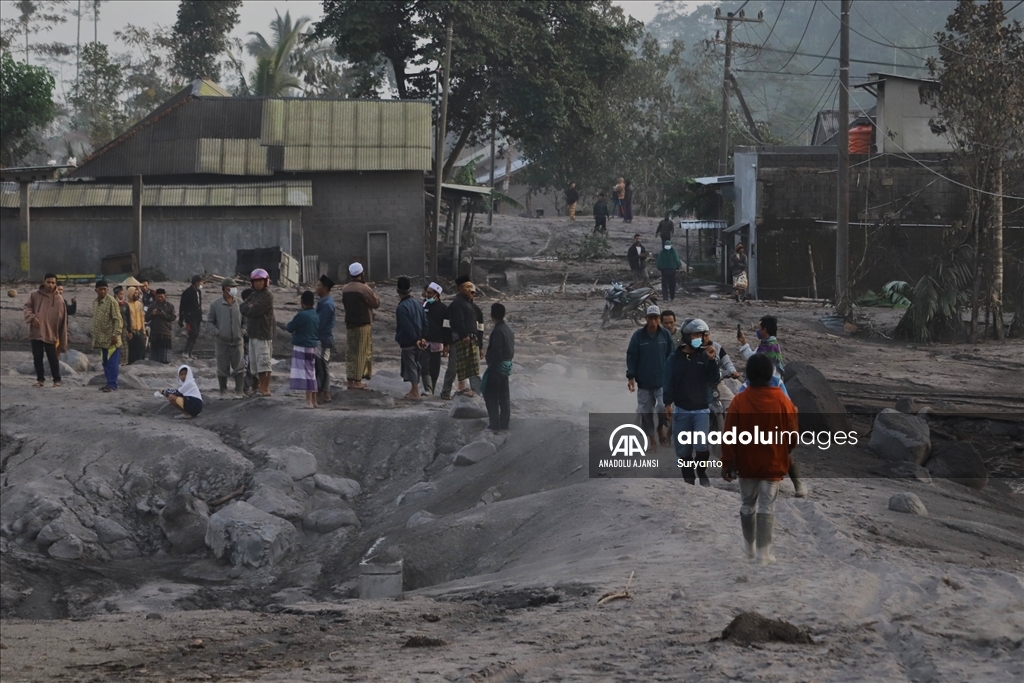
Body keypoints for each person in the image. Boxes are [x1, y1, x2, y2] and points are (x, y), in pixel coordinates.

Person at [722, 354, 799, 564]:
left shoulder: (739, 400)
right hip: (773, 463)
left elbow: (728, 435)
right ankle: (763, 553)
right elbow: (793, 435)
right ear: (769, 375)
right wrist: (785, 451)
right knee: (767, 507)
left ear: (749, 375)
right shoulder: (782, 401)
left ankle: (749, 549)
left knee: (747, 505)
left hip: (746, 464)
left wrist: (727, 462)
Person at [736, 316, 805, 497]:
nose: (757, 330)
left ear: (765, 329)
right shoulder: (765, 346)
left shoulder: (771, 352)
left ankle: (796, 482)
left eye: (759, 327)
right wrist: (744, 343)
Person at [663, 318, 720, 485]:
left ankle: (701, 471)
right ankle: (689, 481)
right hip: (681, 409)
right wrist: (667, 403)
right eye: (695, 335)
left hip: (701, 409)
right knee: (683, 451)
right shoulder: (674, 358)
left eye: (701, 335)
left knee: (701, 446)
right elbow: (668, 382)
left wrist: (712, 361)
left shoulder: (706, 356)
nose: (699, 338)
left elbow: (714, 379)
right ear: (686, 336)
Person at [626, 305, 674, 447]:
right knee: (646, 412)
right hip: (644, 382)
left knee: (661, 407)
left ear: (659, 319)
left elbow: (671, 357)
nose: (653, 321)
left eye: (656, 318)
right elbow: (631, 356)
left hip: (662, 381)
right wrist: (631, 377)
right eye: (650, 318)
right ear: (646, 318)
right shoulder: (638, 336)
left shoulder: (665, 335)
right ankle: (652, 439)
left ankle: (660, 427)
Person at [23, 273, 68, 387]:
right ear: (44, 282)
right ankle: (40, 380)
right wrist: (31, 318)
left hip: (51, 333)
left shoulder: (59, 299)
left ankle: (56, 380)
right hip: (36, 332)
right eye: (48, 282)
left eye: (53, 283)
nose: (50, 285)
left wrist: (62, 338)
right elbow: (27, 307)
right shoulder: (34, 295)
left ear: (55, 284)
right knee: (37, 357)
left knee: (53, 358)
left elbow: (63, 320)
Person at [340, 262, 380, 390]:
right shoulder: (364, 288)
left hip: (350, 323)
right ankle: (357, 381)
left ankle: (350, 379)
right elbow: (375, 303)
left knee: (351, 352)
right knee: (361, 352)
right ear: (362, 273)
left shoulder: (345, 288)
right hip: (362, 324)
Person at [240, 268, 275, 396]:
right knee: (255, 364)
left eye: (260, 281)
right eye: (255, 281)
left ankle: (265, 388)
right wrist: (249, 307)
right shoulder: (254, 295)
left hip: (263, 334)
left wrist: (250, 307)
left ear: (265, 281)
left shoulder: (267, 295)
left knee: (264, 362)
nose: (258, 283)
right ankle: (257, 387)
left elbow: (254, 311)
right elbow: (242, 307)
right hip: (253, 334)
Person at [207, 277, 245, 396]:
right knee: (222, 367)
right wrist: (217, 332)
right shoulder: (215, 304)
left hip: (238, 341)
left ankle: (239, 391)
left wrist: (243, 331)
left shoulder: (240, 304)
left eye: (234, 287)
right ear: (224, 288)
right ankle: (223, 391)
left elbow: (246, 321)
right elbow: (209, 322)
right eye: (231, 287)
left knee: (239, 367)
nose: (233, 289)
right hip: (222, 342)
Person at [447, 276, 483, 397]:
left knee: (473, 366)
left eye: (471, 287)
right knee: (462, 364)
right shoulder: (458, 303)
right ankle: (461, 387)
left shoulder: (471, 305)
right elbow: (458, 321)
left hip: (472, 338)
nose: (470, 290)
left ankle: (476, 391)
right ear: (460, 289)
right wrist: (463, 335)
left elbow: (479, 325)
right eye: (467, 287)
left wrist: (479, 343)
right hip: (463, 338)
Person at [482, 302, 514, 433]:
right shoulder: (508, 330)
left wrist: (491, 366)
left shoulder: (497, 331)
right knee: (504, 397)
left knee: (492, 397)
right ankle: (504, 424)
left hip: (497, 368)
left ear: (492, 315)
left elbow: (496, 351)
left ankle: (494, 425)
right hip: (506, 366)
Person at [395, 276, 428, 400]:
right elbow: (425, 322)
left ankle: (415, 392)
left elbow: (406, 326)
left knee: (411, 365)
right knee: (416, 364)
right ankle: (413, 390)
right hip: (419, 339)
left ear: (398, 291)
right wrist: (423, 337)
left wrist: (415, 340)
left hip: (409, 341)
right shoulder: (418, 304)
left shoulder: (401, 307)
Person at [286, 290, 320, 408]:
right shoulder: (315, 314)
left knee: (306, 373)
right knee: (312, 372)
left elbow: (290, 327)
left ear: (302, 302)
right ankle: (314, 400)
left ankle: (308, 401)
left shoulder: (302, 315)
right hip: (313, 346)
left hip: (302, 346)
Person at [91, 280, 124, 392]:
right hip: (101, 339)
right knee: (105, 362)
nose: (103, 291)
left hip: (111, 339)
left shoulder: (112, 301)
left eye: (105, 289)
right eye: (100, 289)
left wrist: (115, 334)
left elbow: (118, 320)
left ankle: (112, 385)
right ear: (96, 290)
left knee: (112, 363)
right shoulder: (95, 302)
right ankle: (108, 383)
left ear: (108, 290)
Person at [421, 283, 448, 396]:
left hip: (437, 342)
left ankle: (432, 388)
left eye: (430, 293)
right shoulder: (423, 306)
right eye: (427, 292)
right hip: (424, 341)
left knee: (435, 368)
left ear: (437, 294)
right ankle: (428, 389)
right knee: (424, 366)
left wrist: (446, 344)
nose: (427, 295)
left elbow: (446, 328)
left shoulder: (444, 309)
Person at [314, 274, 337, 403]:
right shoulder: (323, 302)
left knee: (322, 365)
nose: (316, 288)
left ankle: (324, 392)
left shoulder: (327, 304)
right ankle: (321, 391)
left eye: (319, 286)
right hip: (321, 338)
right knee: (319, 366)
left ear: (326, 288)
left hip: (323, 339)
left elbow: (320, 323)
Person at [146, 289, 176, 364]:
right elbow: (146, 318)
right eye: (158, 296)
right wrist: (152, 314)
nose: (159, 298)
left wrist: (164, 314)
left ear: (164, 296)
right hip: (155, 331)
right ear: (155, 296)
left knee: (165, 352)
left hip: (166, 331)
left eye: (161, 297)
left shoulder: (170, 306)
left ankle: (166, 362)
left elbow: (173, 317)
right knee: (155, 351)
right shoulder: (152, 306)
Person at [179, 275, 204, 358]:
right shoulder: (187, 292)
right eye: (201, 282)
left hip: (197, 316)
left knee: (195, 334)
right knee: (193, 333)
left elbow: (199, 304)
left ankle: (190, 353)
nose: (202, 284)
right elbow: (182, 306)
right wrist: (181, 319)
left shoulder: (198, 292)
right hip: (190, 317)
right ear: (196, 282)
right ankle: (185, 351)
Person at [125, 286, 147, 364]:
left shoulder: (139, 304)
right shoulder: (126, 305)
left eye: (138, 293)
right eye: (135, 293)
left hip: (139, 331)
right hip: (131, 332)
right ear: (131, 294)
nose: (137, 295)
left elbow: (142, 317)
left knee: (142, 348)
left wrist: (144, 331)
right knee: (132, 351)